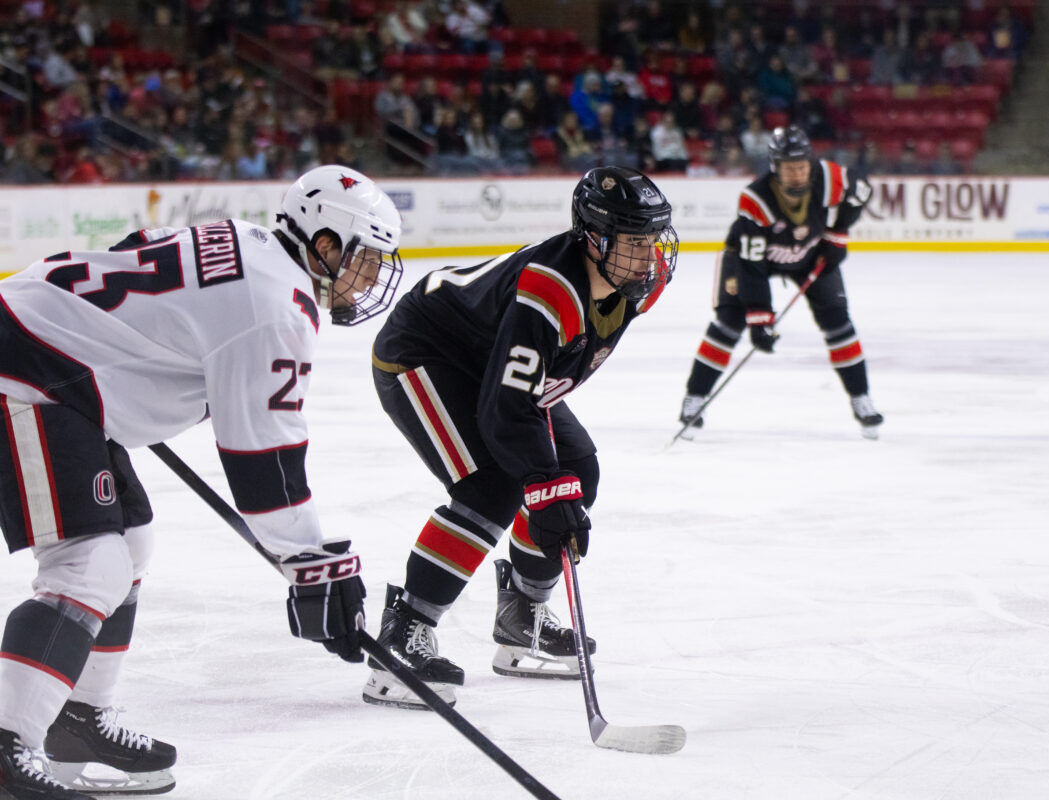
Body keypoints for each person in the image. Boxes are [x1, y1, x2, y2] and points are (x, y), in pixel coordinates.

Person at [0, 164, 403, 799]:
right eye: (366, 258)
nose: (374, 275)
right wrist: (314, 564)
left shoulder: (249, 241)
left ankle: (76, 720)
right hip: (30, 368)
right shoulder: (278, 308)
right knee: (87, 565)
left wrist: (127, 360)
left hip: (56, 358)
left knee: (129, 544)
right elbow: (264, 467)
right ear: (325, 246)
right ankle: (7, 744)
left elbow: (135, 255)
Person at [364, 166, 677, 708]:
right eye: (633, 242)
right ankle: (403, 635)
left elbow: (524, 387)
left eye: (652, 240)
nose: (648, 256)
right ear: (594, 238)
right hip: (426, 351)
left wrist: (552, 482)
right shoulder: (550, 288)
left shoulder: (639, 286)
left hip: (496, 363)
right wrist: (540, 480)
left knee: (575, 471)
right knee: (491, 487)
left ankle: (522, 616)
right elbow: (506, 410)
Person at [678, 125, 884, 439]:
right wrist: (760, 317)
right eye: (790, 169)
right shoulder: (755, 199)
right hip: (748, 260)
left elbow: (862, 191)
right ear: (775, 167)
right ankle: (695, 398)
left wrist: (838, 235)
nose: (798, 175)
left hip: (808, 255)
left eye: (802, 167)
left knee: (838, 323)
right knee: (729, 322)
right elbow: (751, 265)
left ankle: (861, 398)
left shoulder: (828, 177)